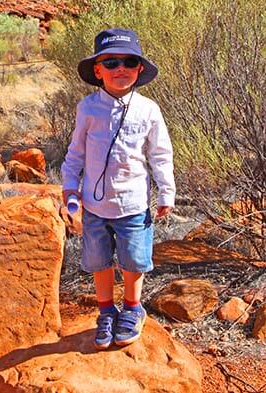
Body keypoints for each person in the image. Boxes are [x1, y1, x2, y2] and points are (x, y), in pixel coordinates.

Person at [61, 27, 175, 349]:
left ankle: (133, 308)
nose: (119, 68)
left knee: (134, 260)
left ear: (139, 68)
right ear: (98, 70)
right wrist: (70, 189)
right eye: (110, 62)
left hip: (134, 203)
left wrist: (166, 192)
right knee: (98, 260)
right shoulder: (88, 108)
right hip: (95, 206)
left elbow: (160, 154)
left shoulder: (148, 110)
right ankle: (106, 311)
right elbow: (75, 155)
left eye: (128, 61)